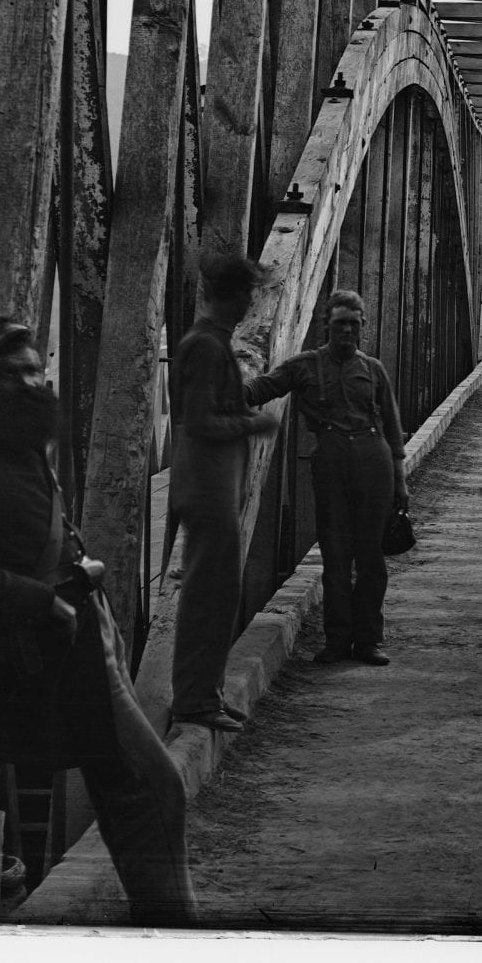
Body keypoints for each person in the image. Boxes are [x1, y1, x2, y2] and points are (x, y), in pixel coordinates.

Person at [0, 315, 196, 924]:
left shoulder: (22, 448)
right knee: (148, 785)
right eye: (11, 373)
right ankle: (174, 924)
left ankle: (168, 919)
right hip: (57, 650)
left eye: (34, 369)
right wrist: (42, 599)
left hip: (84, 636)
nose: (29, 382)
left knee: (134, 786)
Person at [245, 290, 407, 667]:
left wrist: (400, 482)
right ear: (326, 326)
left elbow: (394, 427)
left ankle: (369, 641)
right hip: (331, 462)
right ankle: (337, 641)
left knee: (370, 558)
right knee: (335, 557)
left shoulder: (373, 369)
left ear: (363, 326)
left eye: (354, 323)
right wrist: (224, 388)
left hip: (373, 461)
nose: (347, 330)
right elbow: (263, 387)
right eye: (340, 323)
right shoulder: (303, 366)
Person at [166, 251, 279, 729]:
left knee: (216, 594)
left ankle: (205, 693)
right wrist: (253, 422)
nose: (252, 302)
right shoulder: (207, 346)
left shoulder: (208, 342)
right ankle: (195, 700)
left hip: (213, 486)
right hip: (208, 489)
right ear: (233, 294)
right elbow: (199, 421)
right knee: (208, 598)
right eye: (249, 292)